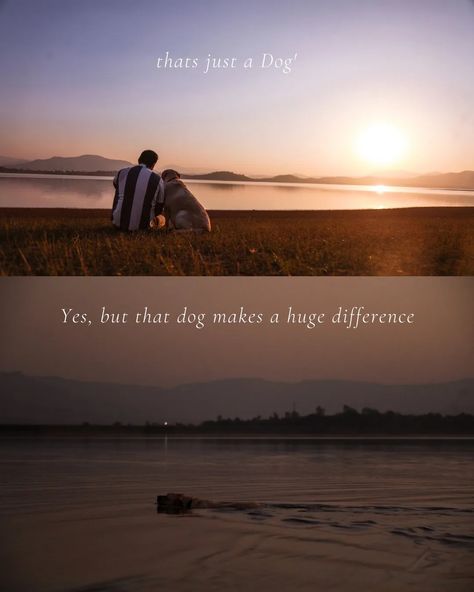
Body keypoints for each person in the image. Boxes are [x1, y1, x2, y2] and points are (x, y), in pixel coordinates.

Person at [111, 149, 164, 231]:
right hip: (145, 227)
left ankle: (117, 216)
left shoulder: (122, 172)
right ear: (153, 164)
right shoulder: (157, 179)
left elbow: (116, 185)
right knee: (162, 218)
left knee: (119, 193)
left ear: (139, 160)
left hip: (118, 224)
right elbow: (160, 204)